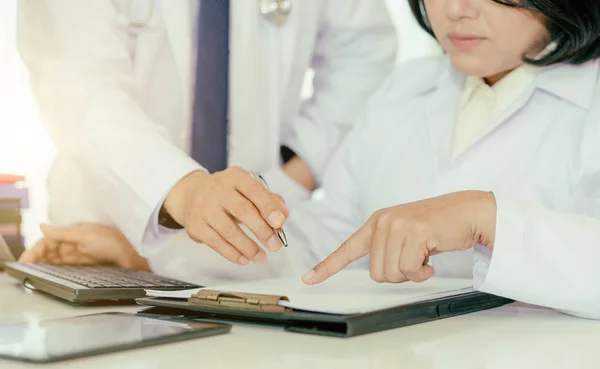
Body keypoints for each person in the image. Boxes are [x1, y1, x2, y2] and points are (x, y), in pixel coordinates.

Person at [22, 0, 600, 318]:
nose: (456, 9)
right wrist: (156, 256)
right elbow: (328, 245)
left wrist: (491, 220)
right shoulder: (407, 92)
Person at [17, 0, 397, 266]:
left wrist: (299, 167)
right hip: (109, 226)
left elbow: (363, 50)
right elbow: (78, 88)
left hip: (254, 237)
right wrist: (183, 190)